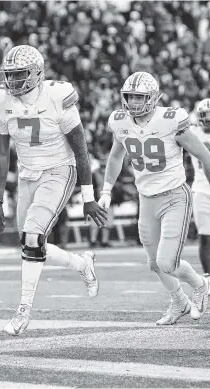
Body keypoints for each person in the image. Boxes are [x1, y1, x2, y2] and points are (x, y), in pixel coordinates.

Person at [0, 45, 108, 336]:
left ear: (36, 72)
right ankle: (81, 264)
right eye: (9, 75)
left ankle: (23, 311)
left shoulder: (57, 96)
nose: (13, 81)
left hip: (60, 170)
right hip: (27, 175)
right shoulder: (0, 99)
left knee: (34, 235)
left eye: (20, 74)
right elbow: (1, 153)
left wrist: (88, 198)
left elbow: (82, 151)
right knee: (30, 244)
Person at [98, 72, 210, 325]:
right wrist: (105, 191)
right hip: (146, 198)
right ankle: (179, 301)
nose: (134, 102)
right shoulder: (120, 122)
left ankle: (201, 285)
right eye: (130, 97)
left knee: (166, 262)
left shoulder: (170, 121)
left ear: (152, 97)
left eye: (140, 97)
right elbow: (116, 157)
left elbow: (205, 155)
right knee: (154, 263)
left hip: (174, 197)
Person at [190, 98, 210, 278]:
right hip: (202, 189)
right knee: (205, 236)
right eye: (205, 116)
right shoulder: (192, 132)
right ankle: (209, 278)